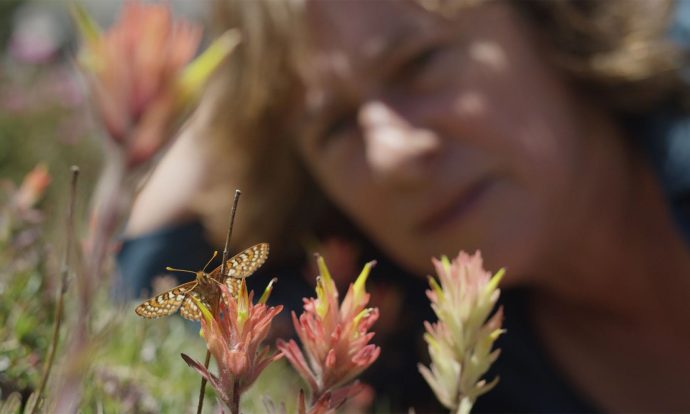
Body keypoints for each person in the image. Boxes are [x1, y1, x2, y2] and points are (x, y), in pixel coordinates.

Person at [118, 0, 690, 411]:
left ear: (549, 18)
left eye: (419, 63)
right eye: (336, 127)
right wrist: (230, 101)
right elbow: (145, 309)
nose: (391, 154)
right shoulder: (407, 334)